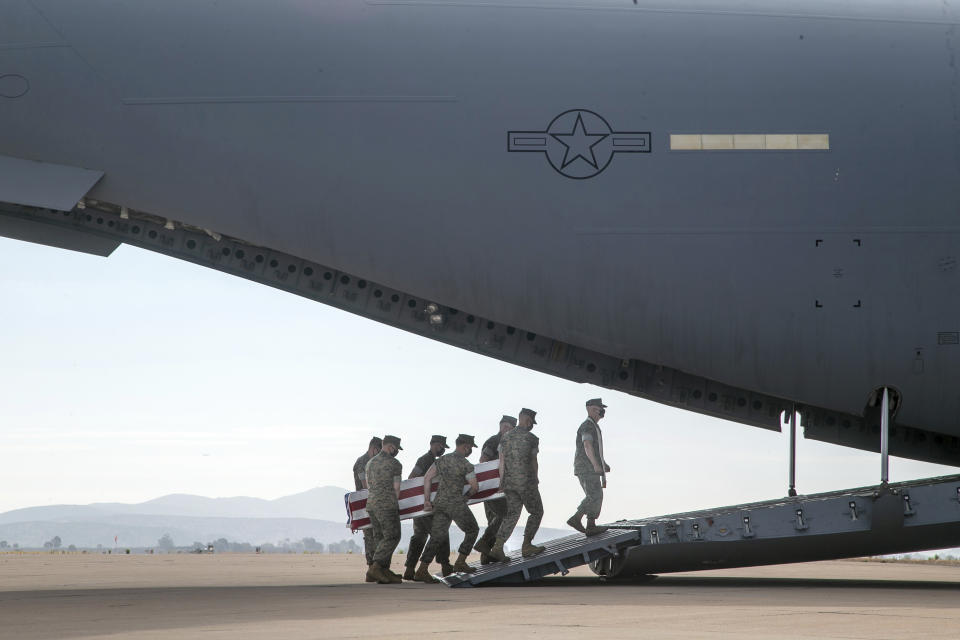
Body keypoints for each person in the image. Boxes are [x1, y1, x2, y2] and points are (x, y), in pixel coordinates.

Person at [415, 434, 480, 582]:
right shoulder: (466, 464)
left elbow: (427, 478)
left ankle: (422, 569)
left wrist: (427, 501)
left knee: (436, 537)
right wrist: (466, 497)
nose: (470, 450)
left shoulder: (441, 460)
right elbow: (475, 486)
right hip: (455, 503)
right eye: (470, 448)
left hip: (440, 503)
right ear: (466, 447)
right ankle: (461, 562)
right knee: (472, 530)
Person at [489, 408, 545, 562]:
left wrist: (501, 483)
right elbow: (534, 461)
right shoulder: (532, 438)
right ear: (528, 420)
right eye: (531, 422)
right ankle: (527, 545)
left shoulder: (505, 438)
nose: (531, 425)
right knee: (536, 512)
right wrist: (536, 478)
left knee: (512, 514)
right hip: (526, 482)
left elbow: (501, 462)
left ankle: (497, 547)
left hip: (509, 483)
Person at [403, 435, 452, 580]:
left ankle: (410, 570)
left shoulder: (432, 460)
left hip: (420, 507)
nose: (441, 449)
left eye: (443, 447)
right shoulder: (425, 460)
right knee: (440, 533)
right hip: (426, 507)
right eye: (440, 446)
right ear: (433, 445)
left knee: (419, 537)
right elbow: (412, 478)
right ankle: (444, 566)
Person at [473, 415, 516, 563]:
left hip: (501, 488)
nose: (507, 429)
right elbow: (483, 461)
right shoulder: (493, 441)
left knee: (495, 520)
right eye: (505, 426)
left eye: (510, 428)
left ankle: (486, 556)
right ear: (500, 426)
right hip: (493, 488)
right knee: (501, 517)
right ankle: (484, 544)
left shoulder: (508, 443)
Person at [364, 435, 405, 584]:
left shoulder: (370, 463)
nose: (396, 452)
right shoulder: (395, 464)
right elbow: (396, 488)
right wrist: (394, 502)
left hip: (372, 504)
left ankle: (383, 571)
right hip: (387, 504)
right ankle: (376, 567)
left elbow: (369, 485)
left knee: (380, 538)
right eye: (396, 449)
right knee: (393, 536)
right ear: (391, 447)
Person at [568, 398, 611, 536]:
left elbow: (595, 449)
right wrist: (596, 465)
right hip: (586, 467)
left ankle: (590, 524)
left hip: (589, 467)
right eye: (599, 408)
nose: (602, 411)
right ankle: (577, 518)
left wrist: (603, 464)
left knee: (596, 495)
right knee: (594, 494)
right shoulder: (587, 426)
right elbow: (587, 445)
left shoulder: (593, 426)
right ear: (592, 409)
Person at [352, 436, 382, 580]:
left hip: (372, 501)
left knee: (375, 535)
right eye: (379, 450)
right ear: (373, 448)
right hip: (365, 502)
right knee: (369, 536)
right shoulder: (362, 462)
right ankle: (371, 568)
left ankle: (374, 568)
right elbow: (365, 484)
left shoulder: (371, 462)